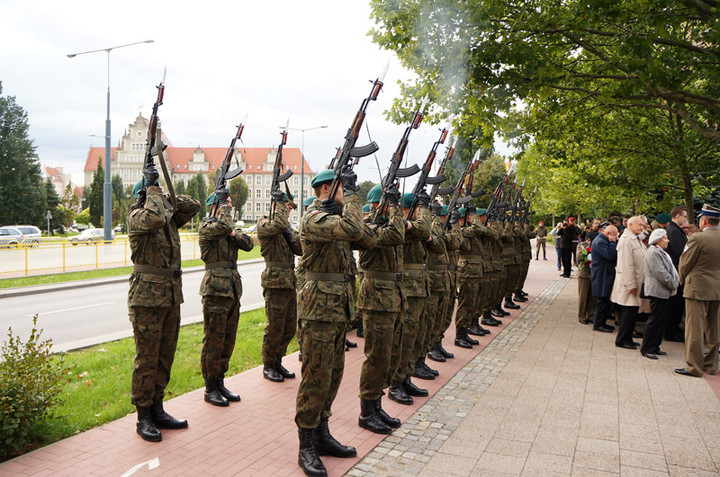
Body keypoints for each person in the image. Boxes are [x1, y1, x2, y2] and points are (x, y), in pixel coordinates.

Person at [295, 168, 369, 476]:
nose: (348, 192)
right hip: (318, 311)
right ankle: (306, 445)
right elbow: (354, 228)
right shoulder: (314, 219)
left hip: (336, 310)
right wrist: (351, 195)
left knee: (333, 374)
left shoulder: (335, 221)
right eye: (342, 187)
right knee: (316, 376)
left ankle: (322, 432)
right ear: (327, 188)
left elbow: (366, 237)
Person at [127, 172, 200, 442]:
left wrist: (167, 194)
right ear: (144, 198)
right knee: (146, 358)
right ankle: (143, 415)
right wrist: (152, 193)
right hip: (146, 299)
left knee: (164, 356)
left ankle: (158, 408)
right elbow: (154, 217)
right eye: (154, 197)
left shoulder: (168, 221)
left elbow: (193, 206)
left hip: (170, 297)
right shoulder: (138, 217)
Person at [355, 184, 404, 434]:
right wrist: (395, 207)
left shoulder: (386, 226)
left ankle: (376, 404)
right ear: (376, 205)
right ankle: (367, 411)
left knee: (388, 355)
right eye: (388, 202)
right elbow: (396, 235)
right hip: (376, 300)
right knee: (376, 357)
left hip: (391, 299)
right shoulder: (369, 228)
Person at [199, 192, 254, 406]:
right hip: (215, 290)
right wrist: (227, 221)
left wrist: (233, 234)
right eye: (225, 203)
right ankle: (210, 387)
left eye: (229, 204)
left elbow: (248, 243)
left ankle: (220, 381)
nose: (229, 206)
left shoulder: (226, 228)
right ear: (215, 206)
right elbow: (222, 227)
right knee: (213, 339)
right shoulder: (207, 227)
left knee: (228, 339)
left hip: (231, 289)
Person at [257, 190, 303, 383]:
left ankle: (278, 360)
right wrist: (281, 214)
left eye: (290, 208)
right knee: (275, 326)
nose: (289, 211)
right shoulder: (265, 223)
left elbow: (300, 248)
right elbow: (278, 223)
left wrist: (289, 232)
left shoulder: (284, 229)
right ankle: (268, 364)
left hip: (288, 282)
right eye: (287, 207)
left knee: (289, 326)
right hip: (275, 282)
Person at [674, 203, 720, 377]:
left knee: (695, 328)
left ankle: (694, 366)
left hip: (698, 288)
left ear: (705, 221)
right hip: (717, 289)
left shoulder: (697, 239)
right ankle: (711, 364)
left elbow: (685, 263)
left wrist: (681, 279)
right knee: (715, 329)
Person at [639, 228, 679, 359]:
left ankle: (655, 346)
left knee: (661, 320)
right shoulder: (654, 253)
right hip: (658, 291)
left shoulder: (660, 252)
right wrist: (674, 283)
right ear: (658, 240)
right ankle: (647, 348)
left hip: (663, 291)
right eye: (665, 238)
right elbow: (660, 273)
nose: (668, 240)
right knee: (655, 320)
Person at [610, 216, 647, 349]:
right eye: (639, 225)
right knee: (628, 312)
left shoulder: (635, 239)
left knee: (632, 312)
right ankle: (622, 339)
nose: (642, 228)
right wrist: (631, 285)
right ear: (630, 225)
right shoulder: (626, 240)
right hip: (629, 283)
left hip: (636, 281)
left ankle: (627, 338)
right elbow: (627, 265)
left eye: (642, 225)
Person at [664, 206, 689, 342]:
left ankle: (672, 329)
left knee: (676, 305)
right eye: (684, 216)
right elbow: (682, 253)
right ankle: (671, 331)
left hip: (676, 271)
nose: (686, 219)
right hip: (676, 272)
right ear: (677, 215)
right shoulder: (674, 231)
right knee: (675, 305)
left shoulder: (674, 230)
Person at [590, 224, 618, 332]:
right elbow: (610, 255)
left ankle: (602, 322)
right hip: (602, 275)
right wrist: (612, 242)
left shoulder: (602, 240)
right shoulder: (600, 241)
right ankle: (598, 324)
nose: (616, 237)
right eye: (615, 235)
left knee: (605, 300)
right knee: (602, 301)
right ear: (608, 234)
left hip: (605, 274)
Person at [576, 238, 596, 324]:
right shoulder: (582, 245)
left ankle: (591, 315)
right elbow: (579, 257)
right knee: (583, 296)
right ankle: (582, 315)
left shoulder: (598, 244)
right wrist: (587, 250)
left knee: (592, 297)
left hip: (594, 273)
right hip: (584, 273)